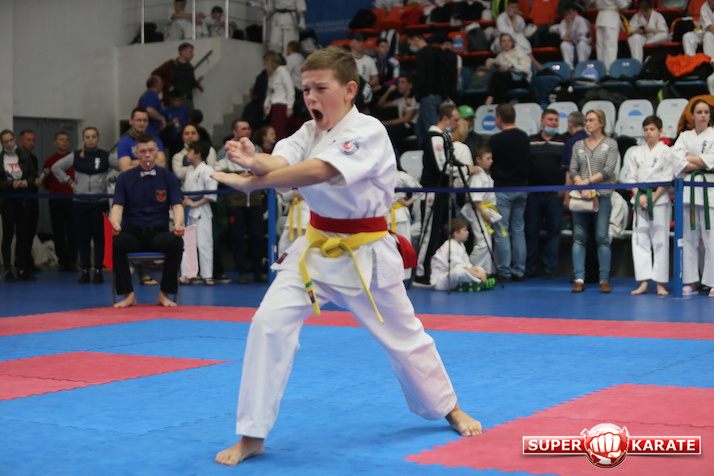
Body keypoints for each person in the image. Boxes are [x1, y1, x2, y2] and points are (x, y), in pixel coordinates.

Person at [212, 45, 481, 467]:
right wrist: (255, 161)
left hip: (365, 252)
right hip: (315, 249)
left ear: (350, 89)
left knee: (405, 338)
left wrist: (256, 181)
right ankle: (252, 434)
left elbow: (320, 170)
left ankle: (449, 407)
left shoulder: (368, 130)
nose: (311, 97)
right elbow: (281, 159)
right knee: (267, 324)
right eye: (306, 89)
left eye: (321, 88)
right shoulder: (309, 131)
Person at [109, 133, 185, 308]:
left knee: (176, 242)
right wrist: (115, 224)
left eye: (151, 150)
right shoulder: (125, 178)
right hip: (132, 233)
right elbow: (117, 207)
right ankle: (128, 295)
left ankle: (164, 294)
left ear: (157, 151)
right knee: (116, 242)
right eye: (143, 151)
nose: (147, 155)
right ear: (137, 153)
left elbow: (177, 206)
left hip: (158, 233)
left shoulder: (168, 177)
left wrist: (178, 224)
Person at [415, 104, 477, 284]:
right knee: (429, 233)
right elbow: (442, 167)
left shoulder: (444, 137)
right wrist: (467, 170)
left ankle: (437, 270)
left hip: (443, 191)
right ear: (445, 119)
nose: (459, 123)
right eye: (456, 120)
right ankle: (421, 273)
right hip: (433, 191)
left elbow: (452, 162)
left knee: (442, 232)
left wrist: (463, 168)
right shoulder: (435, 137)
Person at [53, 127, 120, 284]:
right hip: (80, 203)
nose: (91, 140)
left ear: (98, 138)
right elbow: (56, 167)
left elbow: (123, 167)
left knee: (99, 238)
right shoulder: (76, 155)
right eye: (88, 137)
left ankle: (98, 270)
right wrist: (69, 181)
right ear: (83, 139)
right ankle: (84, 270)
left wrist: (112, 181)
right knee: (82, 238)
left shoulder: (105, 155)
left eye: (93, 136)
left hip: (99, 203)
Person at [569, 110, 619, 293]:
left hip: (602, 195)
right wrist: (580, 184)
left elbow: (608, 170)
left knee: (602, 237)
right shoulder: (578, 144)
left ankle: (604, 279)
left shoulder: (611, 144)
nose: (587, 123)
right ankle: (579, 278)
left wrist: (588, 182)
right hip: (581, 196)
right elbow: (573, 169)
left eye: (591, 120)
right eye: (586, 120)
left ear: (601, 123)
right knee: (578, 237)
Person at [623, 115, 673, 296]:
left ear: (660, 131)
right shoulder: (636, 152)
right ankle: (643, 282)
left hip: (659, 199)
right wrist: (639, 196)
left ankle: (660, 283)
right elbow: (631, 177)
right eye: (645, 130)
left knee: (660, 240)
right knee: (639, 239)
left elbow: (667, 178)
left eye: (652, 129)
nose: (648, 133)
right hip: (640, 199)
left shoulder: (667, 151)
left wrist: (653, 198)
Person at [215, 119, 268, 284]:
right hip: (235, 203)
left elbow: (265, 169)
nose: (247, 131)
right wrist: (239, 176)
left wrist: (251, 176)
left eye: (249, 128)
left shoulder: (257, 149)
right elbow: (217, 172)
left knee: (257, 237)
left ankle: (258, 272)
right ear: (235, 131)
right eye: (243, 129)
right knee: (236, 238)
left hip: (255, 201)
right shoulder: (225, 151)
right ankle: (242, 272)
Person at [671, 99, 714, 297]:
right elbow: (676, 160)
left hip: (709, 192)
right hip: (688, 192)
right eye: (699, 112)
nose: (703, 115)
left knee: (711, 238)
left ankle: (712, 282)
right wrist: (702, 162)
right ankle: (691, 282)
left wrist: (689, 158)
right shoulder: (684, 136)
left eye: (706, 112)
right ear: (692, 115)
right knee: (688, 238)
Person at [488, 103, 530, 282]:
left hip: (502, 188)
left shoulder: (495, 140)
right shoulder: (524, 137)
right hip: (521, 188)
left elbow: (491, 164)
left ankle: (505, 271)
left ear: (499, 118)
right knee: (518, 230)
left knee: (502, 230)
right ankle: (519, 270)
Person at [525, 109, 567, 279]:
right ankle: (529, 269)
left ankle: (550, 269)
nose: (553, 123)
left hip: (555, 194)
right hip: (533, 194)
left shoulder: (564, 141)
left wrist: (565, 190)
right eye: (550, 119)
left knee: (554, 233)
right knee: (531, 232)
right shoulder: (530, 141)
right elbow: (525, 165)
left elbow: (568, 168)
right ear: (542, 121)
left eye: (556, 120)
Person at [407, 32, 457, 147]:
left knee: (433, 130)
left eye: (410, 43)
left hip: (428, 97)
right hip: (438, 95)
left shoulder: (422, 54)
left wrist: (411, 95)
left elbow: (420, 77)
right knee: (419, 128)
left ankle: (439, 151)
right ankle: (425, 151)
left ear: (415, 40)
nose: (411, 46)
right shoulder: (437, 51)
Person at [179, 140, 217, 286]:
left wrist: (195, 203)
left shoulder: (207, 170)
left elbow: (211, 193)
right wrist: (186, 201)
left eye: (190, 151)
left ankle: (207, 275)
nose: (187, 154)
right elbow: (185, 190)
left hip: (202, 210)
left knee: (204, 243)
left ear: (198, 154)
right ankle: (189, 274)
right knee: (188, 243)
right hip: (189, 210)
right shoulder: (189, 170)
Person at [0, 130, 37, 282]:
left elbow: (32, 175)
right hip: (7, 201)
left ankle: (21, 267)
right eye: (5, 141)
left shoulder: (24, 157)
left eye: (11, 140)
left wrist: (26, 182)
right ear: (2, 143)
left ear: (14, 139)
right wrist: (10, 183)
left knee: (23, 234)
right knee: (8, 234)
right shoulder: (1, 159)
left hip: (23, 200)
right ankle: (8, 269)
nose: (9, 144)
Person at [42, 131, 77, 273]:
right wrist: (45, 176)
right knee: (58, 231)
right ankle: (62, 261)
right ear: (55, 142)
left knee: (73, 231)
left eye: (66, 139)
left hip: (72, 199)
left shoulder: (74, 159)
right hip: (56, 199)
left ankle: (72, 261)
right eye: (61, 139)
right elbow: (45, 182)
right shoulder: (50, 161)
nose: (64, 142)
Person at [461, 144, 497, 274]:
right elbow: (475, 198)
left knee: (485, 241)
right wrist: (484, 213)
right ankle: (468, 269)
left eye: (491, 158)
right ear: (478, 160)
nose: (491, 161)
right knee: (483, 242)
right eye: (488, 158)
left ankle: (483, 272)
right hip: (478, 210)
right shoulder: (477, 176)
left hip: (485, 210)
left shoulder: (486, 174)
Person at [431, 218, 490, 291]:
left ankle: (472, 283)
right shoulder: (450, 246)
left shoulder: (460, 245)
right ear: (456, 233)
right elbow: (458, 267)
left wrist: (479, 271)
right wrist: (478, 275)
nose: (467, 232)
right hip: (441, 281)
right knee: (459, 272)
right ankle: (477, 282)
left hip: (452, 275)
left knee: (480, 268)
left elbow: (467, 265)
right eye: (465, 230)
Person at [151, 42, 205, 108]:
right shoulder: (171, 64)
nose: (192, 54)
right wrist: (168, 85)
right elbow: (155, 74)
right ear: (182, 52)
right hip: (176, 99)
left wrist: (198, 85)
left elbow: (192, 80)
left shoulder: (189, 67)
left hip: (188, 98)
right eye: (190, 52)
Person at [484, 33, 532, 105]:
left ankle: (489, 99)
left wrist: (509, 67)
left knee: (497, 75)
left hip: (521, 79)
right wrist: (488, 61)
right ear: (500, 44)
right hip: (509, 81)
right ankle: (502, 107)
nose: (506, 43)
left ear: (512, 42)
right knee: (501, 85)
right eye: (504, 41)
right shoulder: (501, 55)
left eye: (509, 41)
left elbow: (525, 69)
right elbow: (493, 60)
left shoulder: (519, 51)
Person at [492, 0, 541, 69]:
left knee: (520, 39)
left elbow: (522, 32)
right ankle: (534, 62)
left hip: (516, 43)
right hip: (501, 42)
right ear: (507, 8)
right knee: (518, 39)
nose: (514, 10)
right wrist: (514, 20)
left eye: (516, 7)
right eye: (512, 7)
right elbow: (508, 35)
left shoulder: (520, 18)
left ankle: (528, 64)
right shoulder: (501, 18)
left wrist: (515, 18)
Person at [377, 74, 420, 152]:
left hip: (411, 126)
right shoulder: (400, 100)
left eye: (403, 82)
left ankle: (394, 153)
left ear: (410, 85)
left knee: (388, 130)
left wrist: (386, 122)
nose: (399, 85)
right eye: (399, 82)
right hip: (403, 126)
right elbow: (381, 105)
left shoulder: (413, 99)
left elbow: (407, 118)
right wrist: (388, 91)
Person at [18, 130, 40, 275]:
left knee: (31, 232)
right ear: (21, 141)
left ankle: (28, 262)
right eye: (28, 140)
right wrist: (32, 181)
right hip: (21, 200)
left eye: (33, 140)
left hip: (33, 199)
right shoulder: (17, 158)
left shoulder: (33, 158)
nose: (31, 143)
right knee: (23, 234)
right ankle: (21, 265)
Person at [117, 107, 167, 171]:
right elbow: (125, 169)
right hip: (134, 177)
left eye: (145, 120)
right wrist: (151, 161)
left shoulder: (156, 140)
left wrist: (133, 162)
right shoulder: (124, 143)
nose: (142, 123)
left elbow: (161, 164)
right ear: (131, 121)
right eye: (138, 120)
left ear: (148, 122)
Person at [263, 50, 295, 141]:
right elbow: (270, 92)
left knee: (279, 133)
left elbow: (290, 90)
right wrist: (266, 104)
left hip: (281, 106)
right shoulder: (273, 74)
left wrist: (290, 107)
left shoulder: (283, 71)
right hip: (274, 107)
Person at [595, 0, 630, 72]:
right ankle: (609, 71)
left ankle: (601, 71)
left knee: (600, 47)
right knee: (610, 47)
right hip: (610, 19)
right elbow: (623, 6)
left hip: (600, 18)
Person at [349, 32, 380, 106]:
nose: (361, 43)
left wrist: (363, 86)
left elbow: (375, 79)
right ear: (352, 42)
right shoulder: (345, 58)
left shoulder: (369, 60)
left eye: (363, 41)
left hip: (364, 95)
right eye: (358, 41)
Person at [559, 3, 592, 70]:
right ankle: (569, 69)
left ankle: (582, 67)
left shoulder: (582, 20)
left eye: (570, 13)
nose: (568, 16)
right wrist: (570, 24)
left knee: (581, 44)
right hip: (572, 44)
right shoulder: (563, 22)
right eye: (566, 14)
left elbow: (584, 39)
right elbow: (564, 38)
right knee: (564, 45)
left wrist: (571, 39)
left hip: (584, 45)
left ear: (575, 12)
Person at [277, 188, 310, 255]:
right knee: (284, 247)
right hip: (293, 221)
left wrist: (302, 194)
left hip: (308, 220)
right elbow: (287, 196)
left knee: (307, 250)